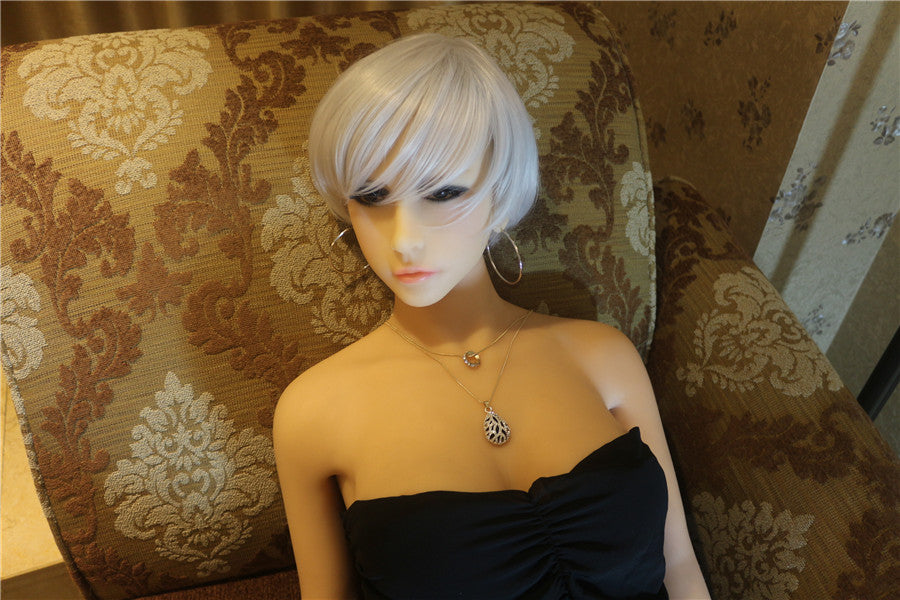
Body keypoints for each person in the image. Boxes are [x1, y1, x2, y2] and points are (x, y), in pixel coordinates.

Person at [273, 33, 710, 600]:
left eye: (444, 193)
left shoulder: (603, 357)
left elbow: (681, 569)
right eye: (373, 197)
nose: (405, 239)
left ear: (499, 195)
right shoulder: (313, 412)